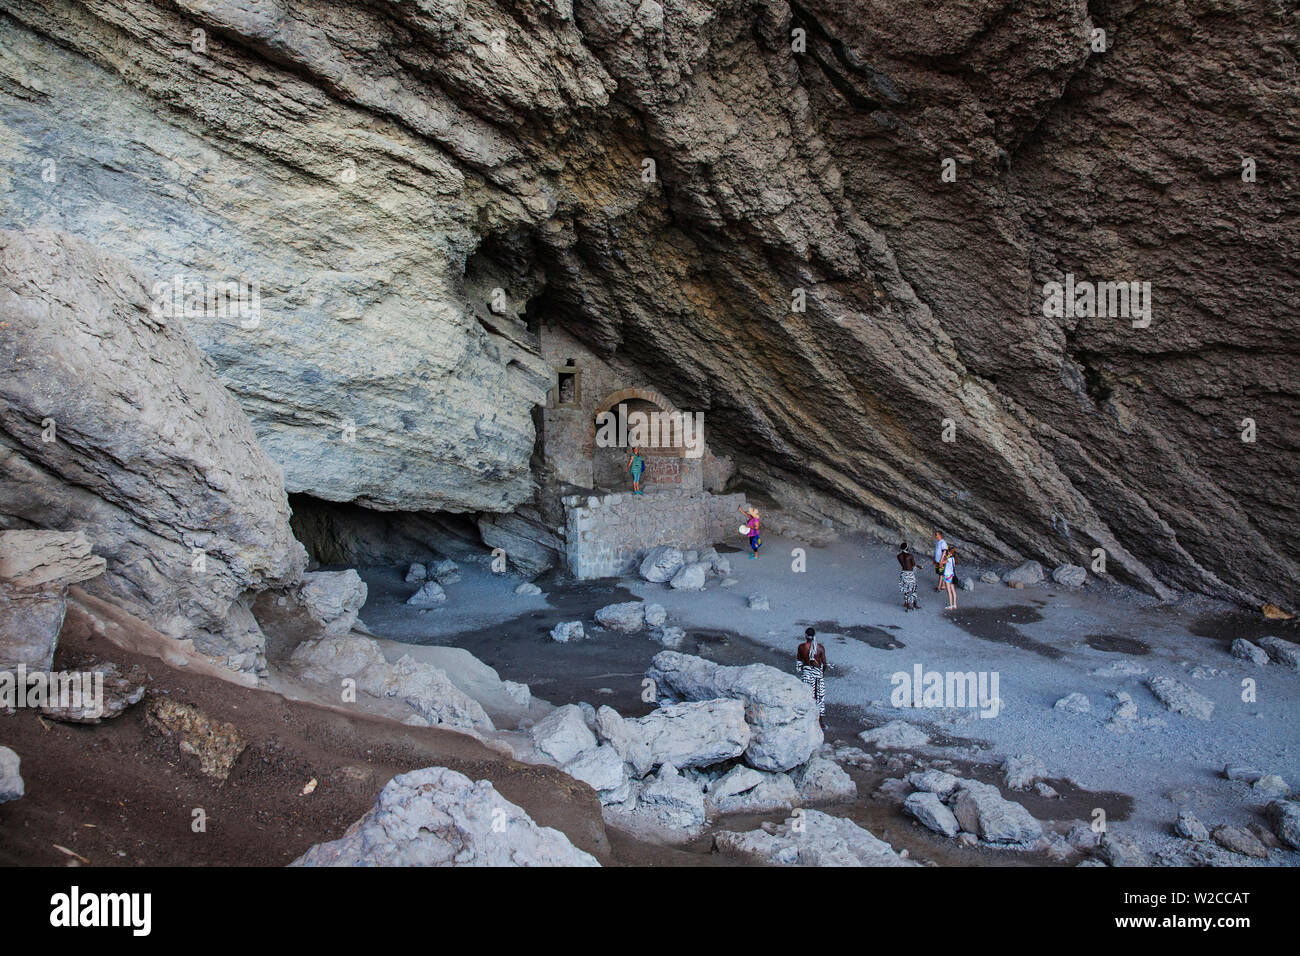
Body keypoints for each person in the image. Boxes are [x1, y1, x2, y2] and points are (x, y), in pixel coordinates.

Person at [795, 627, 827, 729]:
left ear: (805, 635)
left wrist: (800, 670)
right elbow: (824, 663)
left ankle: (807, 721)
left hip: (807, 673)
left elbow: (799, 661)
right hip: (817, 674)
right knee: (819, 697)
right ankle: (820, 723)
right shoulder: (820, 648)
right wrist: (821, 673)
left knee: (808, 696)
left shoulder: (801, 647)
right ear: (814, 636)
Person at [897, 542, 920, 611]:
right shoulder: (910, 556)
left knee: (906, 589)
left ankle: (906, 603)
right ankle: (914, 604)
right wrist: (919, 567)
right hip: (909, 574)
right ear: (907, 548)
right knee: (913, 588)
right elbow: (913, 565)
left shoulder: (899, 556)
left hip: (903, 573)